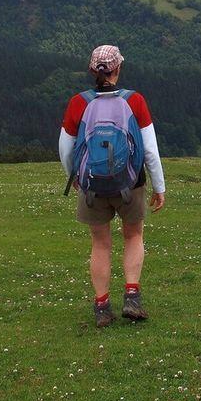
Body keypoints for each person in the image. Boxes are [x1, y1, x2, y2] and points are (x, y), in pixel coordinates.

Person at [59, 45, 166, 327]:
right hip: (131, 183)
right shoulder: (135, 101)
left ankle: (102, 306)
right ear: (118, 68)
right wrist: (159, 185)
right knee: (133, 236)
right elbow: (150, 150)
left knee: (100, 243)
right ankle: (132, 297)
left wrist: (80, 177)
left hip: (92, 186)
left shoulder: (78, 103)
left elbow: (65, 149)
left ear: (93, 71)